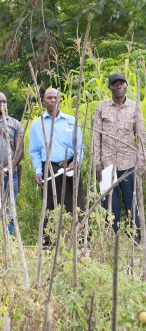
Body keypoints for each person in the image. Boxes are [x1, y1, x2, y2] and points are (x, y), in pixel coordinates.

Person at [91, 73, 146, 240]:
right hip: (107, 165)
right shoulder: (102, 107)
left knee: (132, 203)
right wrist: (97, 163)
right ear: (110, 87)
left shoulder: (134, 107)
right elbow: (95, 137)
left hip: (129, 163)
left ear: (126, 86)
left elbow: (141, 136)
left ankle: (135, 237)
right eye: (115, 84)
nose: (118, 86)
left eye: (121, 83)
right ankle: (111, 238)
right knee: (110, 204)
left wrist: (141, 162)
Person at [29, 88, 85, 243]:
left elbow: (79, 147)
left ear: (60, 100)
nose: (52, 101)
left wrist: (76, 162)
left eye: (55, 98)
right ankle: (48, 245)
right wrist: (38, 172)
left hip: (70, 166)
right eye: (49, 98)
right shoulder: (36, 125)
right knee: (50, 207)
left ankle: (81, 242)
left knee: (76, 206)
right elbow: (34, 152)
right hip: (49, 168)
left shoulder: (71, 121)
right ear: (44, 101)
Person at [0, 92, 23, 235]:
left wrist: (9, 168)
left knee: (10, 209)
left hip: (11, 174)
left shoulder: (15, 124)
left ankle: (8, 241)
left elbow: (20, 151)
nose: (2, 104)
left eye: (4, 101)